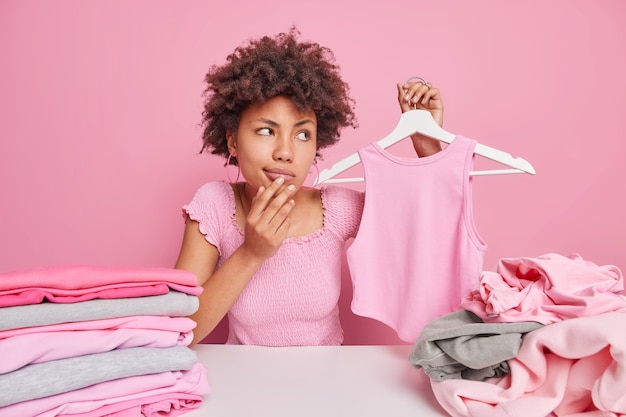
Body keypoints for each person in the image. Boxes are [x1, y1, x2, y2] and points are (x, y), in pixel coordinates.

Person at [174, 27, 444, 346]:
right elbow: (180, 332)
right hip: (244, 384)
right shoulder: (214, 206)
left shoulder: (337, 208)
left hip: (327, 385)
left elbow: (430, 230)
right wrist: (251, 253)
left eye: (303, 135)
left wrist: (428, 145)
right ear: (232, 139)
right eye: (266, 131)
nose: (286, 152)